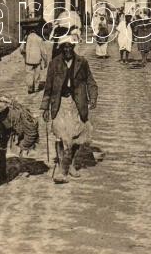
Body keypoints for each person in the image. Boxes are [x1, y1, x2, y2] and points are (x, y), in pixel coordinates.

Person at [41, 35, 99, 184]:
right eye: (64, 47)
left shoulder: (82, 62)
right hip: (59, 103)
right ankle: (62, 169)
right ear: (61, 48)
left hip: (76, 103)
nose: (67, 49)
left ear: (73, 47)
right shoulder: (54, 63)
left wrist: (92, 98)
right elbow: (48, 87)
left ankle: (71, 163)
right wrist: (45, 107)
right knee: (62, 136)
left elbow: (90, 82)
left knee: (77, 137)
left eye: (70, 46)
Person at [20, 26, 46, 93]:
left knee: (29, 74)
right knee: (37, 74)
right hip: (37, 60)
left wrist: (24, 54)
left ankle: (30, 88)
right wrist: (45, 60)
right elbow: (43, 51)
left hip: (28, 60)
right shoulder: (39, 39)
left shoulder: (26, 38)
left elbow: (21, 49)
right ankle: (36, 87)